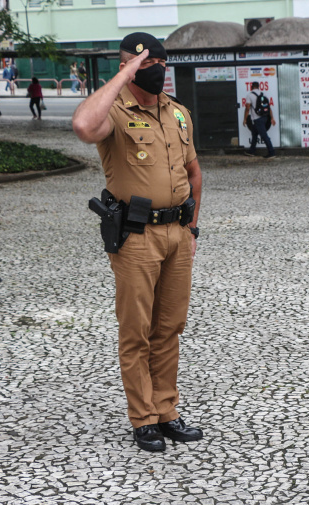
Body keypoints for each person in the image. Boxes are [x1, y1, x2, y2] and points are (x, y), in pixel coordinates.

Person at [72, 32, 204, 453]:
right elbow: (82, 126)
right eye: (146, 65)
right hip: (136, 237)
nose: (157, 71)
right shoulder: (112, 112)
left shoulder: (177, 113)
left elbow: (194, 173)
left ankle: (166, 411)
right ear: (127, 67)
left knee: (170, 328)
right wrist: (126, 72)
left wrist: (193, 229)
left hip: (177, 234)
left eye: (161, 64)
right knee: (137, 331)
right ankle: (142, 418)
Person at [242, 82, 276, 158]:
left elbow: (247, 108)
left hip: (257, 119)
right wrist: (272, 118)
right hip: (264, 117)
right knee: (254, 134)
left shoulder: (250, 95)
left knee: (264, 136)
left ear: (252, 87)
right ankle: (252, 151)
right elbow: (269, 108)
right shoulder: (263, 94)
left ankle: (272, 152)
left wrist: (245, 119)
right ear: (258, 87)